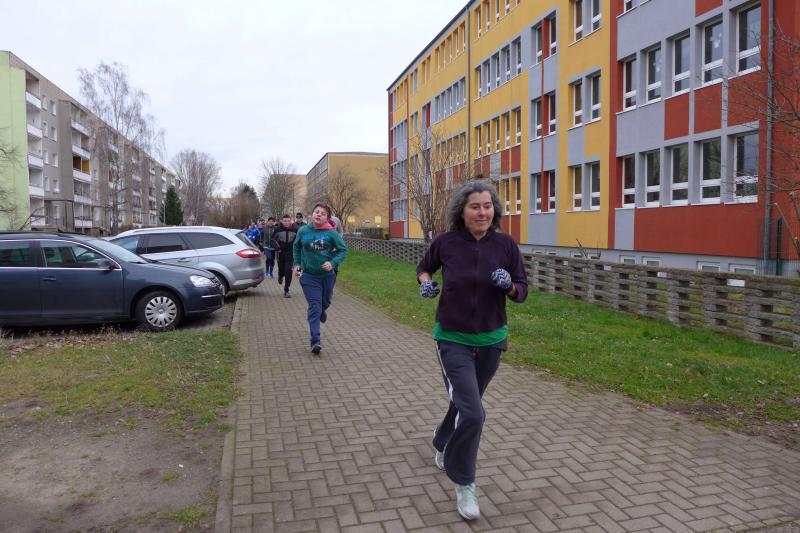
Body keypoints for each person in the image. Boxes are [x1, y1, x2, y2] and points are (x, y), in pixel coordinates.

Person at [416, 180, 528, 521]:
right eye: (475, 206)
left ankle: (441, 439)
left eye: (487, 206)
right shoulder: (446, 242)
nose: (482, 212)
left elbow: (523, 290)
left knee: (467, 403)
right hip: (452, 338)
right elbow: (424, 268)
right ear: (461, 211)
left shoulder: (506, 245)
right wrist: (426, 284)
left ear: (495, 210)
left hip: (492, 339)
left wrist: (509, 286)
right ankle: (464, 482)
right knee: (475, 413)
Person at [292, 203, 347, 355]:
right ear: (312, 214)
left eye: (323, 214)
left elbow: (342, 250)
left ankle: (322, 310)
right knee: (315, 306)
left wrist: (333, 263)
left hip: (327, 276)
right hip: (309, 276)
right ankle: (315, 340)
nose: (319, 215)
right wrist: (297, 264)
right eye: (317, 212)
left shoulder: (331, 233)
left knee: (325, 302)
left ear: (327, 218)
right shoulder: (303, 231)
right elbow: (296, 247)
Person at [273, 214, 297, 297]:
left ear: (291, 221)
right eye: (285, 221)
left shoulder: (295, 230)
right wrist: (277, 248)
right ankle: (280, 276)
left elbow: (298, 241)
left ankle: (286, 290)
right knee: (281, 270)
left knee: (288, 272)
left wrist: (296, 250)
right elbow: (272, 240)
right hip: (281, 254)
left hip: (290, 254)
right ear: (282, 221)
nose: (287, 222)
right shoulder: (278, 229)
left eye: (288, 221)